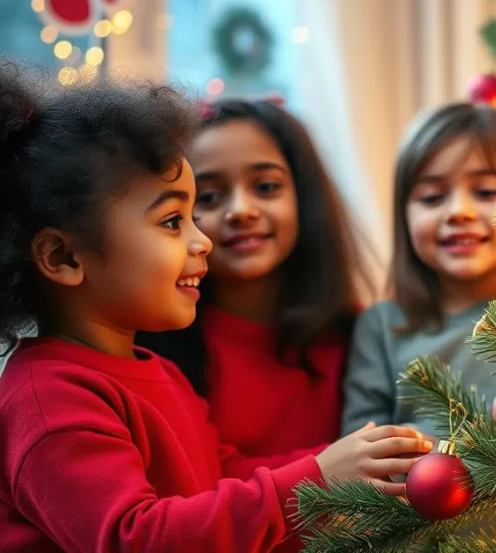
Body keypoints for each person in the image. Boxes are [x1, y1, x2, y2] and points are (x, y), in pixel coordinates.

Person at [0, 68, 430, 551]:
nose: (202, 239)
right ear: (63, 257)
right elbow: (135, 538)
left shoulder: (156, 372)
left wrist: (361, 459)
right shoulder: (48, 401)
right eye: (172, 221)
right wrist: (317, 478)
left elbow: (223, 477)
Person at [138, 98, 374, 456]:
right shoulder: (150, 350)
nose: (241, 211)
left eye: (265, 187)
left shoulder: (362, 334)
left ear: (304, 197)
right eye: (208, 196)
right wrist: (327, 468)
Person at [342, 102, 496, 441]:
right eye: (432, 197)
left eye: (486, 192)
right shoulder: (380, 328)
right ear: (404, 216)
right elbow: (359, 449)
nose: (459, 212)